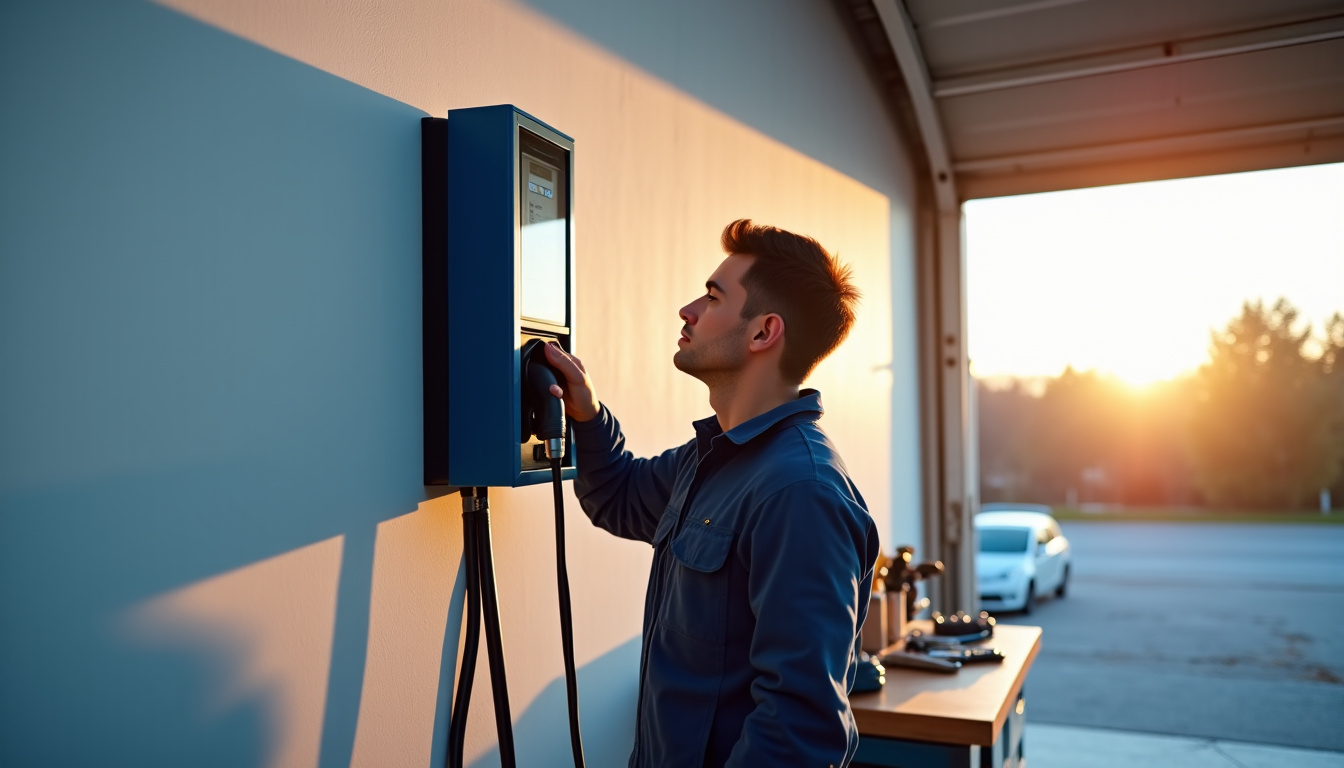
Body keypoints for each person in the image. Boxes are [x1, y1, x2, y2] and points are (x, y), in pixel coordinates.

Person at [543, 219, 880, 768]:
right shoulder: (714, 458)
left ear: (762, 332)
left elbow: (799, 732)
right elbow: (618, 496)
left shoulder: (800, 494)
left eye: (713, 296)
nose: (688, 310)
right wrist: (587, 413)